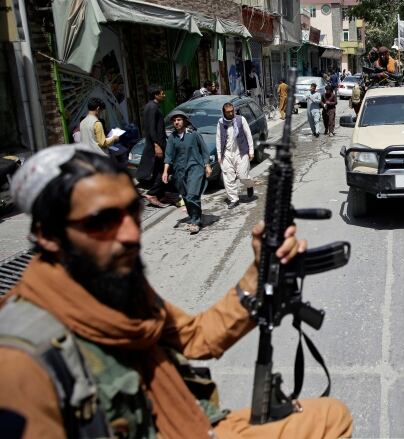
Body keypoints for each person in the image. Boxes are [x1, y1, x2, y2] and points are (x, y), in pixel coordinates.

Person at [2, 144, 353, 438]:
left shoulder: (113, 284)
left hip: (192, 424)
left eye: (132, 211)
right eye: (101, 221)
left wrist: (260, 273)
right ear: (47, 235)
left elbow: (196, 337)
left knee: (331, 417)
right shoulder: (21, 362)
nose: (129, 234)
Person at [162, 111, 211, 234]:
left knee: (192, 194)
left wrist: (207, 165)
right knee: (185, 195)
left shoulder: (193, 134)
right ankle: (195, 216)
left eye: (178, 120)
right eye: (174, 121)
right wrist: (165, 172)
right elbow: (168, 156)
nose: (176, 122)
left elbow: (204, 151)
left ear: (184, 121)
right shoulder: (172, 137)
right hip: (180, 171)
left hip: (195, 168)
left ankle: (195, 221)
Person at [216, 103, 254, 210]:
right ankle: (234, 199)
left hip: (241, 152)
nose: (231, 113)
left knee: (243, 176)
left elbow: (248, 135)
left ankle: (249, 184)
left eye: (232, 111)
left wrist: (251, 151)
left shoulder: (241, 120)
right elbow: (218, 139)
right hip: (227, 153)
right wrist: (219, 155)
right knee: (228, 178)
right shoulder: (220, 123)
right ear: (224, 112)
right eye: (228, 112)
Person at [137, 85, 168, 208]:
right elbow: (150, 129)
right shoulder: (151, 107)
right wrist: (157, 145)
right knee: (161, 170)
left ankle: (160, 194)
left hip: (160, 143)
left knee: (159, 169)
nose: (164, 95)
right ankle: (153, 193)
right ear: (156, 95)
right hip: (156, 145)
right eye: (162, 93)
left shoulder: (154, 107)